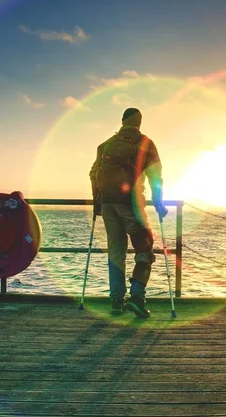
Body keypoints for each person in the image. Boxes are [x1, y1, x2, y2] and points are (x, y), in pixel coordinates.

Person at [89, 108, 168, 318]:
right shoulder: (145, 143)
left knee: (116, 251)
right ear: (140, 123)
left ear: (122, 121)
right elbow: (155, 175)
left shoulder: (105, 145)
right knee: (144, 247)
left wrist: (97, 202)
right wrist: (158, 202)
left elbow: (93, 173)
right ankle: (136, 297)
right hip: (130, 204)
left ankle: (116, 300)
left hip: (107, 204)